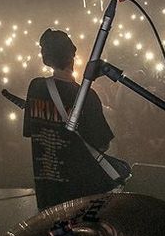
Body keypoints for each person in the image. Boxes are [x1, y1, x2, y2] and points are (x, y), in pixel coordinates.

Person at [23, 29, 116, 210]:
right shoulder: (86, 96)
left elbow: (30, 132)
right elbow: (103, 145)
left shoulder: (35, 87)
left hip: (47, 193)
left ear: (47, 58)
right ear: (73, 55)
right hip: (82, 192)